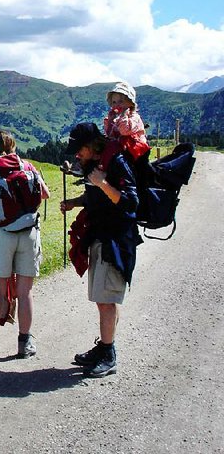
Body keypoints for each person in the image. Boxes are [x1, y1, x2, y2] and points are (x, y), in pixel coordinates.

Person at [60, 122, 141, 378]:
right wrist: (75, 202)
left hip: (115, 242)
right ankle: (105, 347)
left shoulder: (115, 162)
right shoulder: (96, 165)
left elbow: (131, 201)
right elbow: (95, 194)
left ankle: (109, 354)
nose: (76, 155)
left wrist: (103, 183)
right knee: (102, 299)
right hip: (100, 237)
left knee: (107, 301)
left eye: (79, 149)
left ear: (91, 146)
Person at [0, 131, 50, 359]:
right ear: (13, 147)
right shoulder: (28, 167)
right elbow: (45, 194)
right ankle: (24, 344)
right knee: (25, 292)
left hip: (1, 234)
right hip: (29, 233)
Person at [103, 81, 149, 163]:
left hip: (136, 149)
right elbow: (109, 134)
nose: (117, 105)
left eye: (121, 101)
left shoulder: (134, 117)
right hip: (123, 148)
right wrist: (110, 121)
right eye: (114, 102)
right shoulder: (115, 118)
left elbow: (125, 131)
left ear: (130, 103)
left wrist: (124, 115)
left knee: (113, 148)